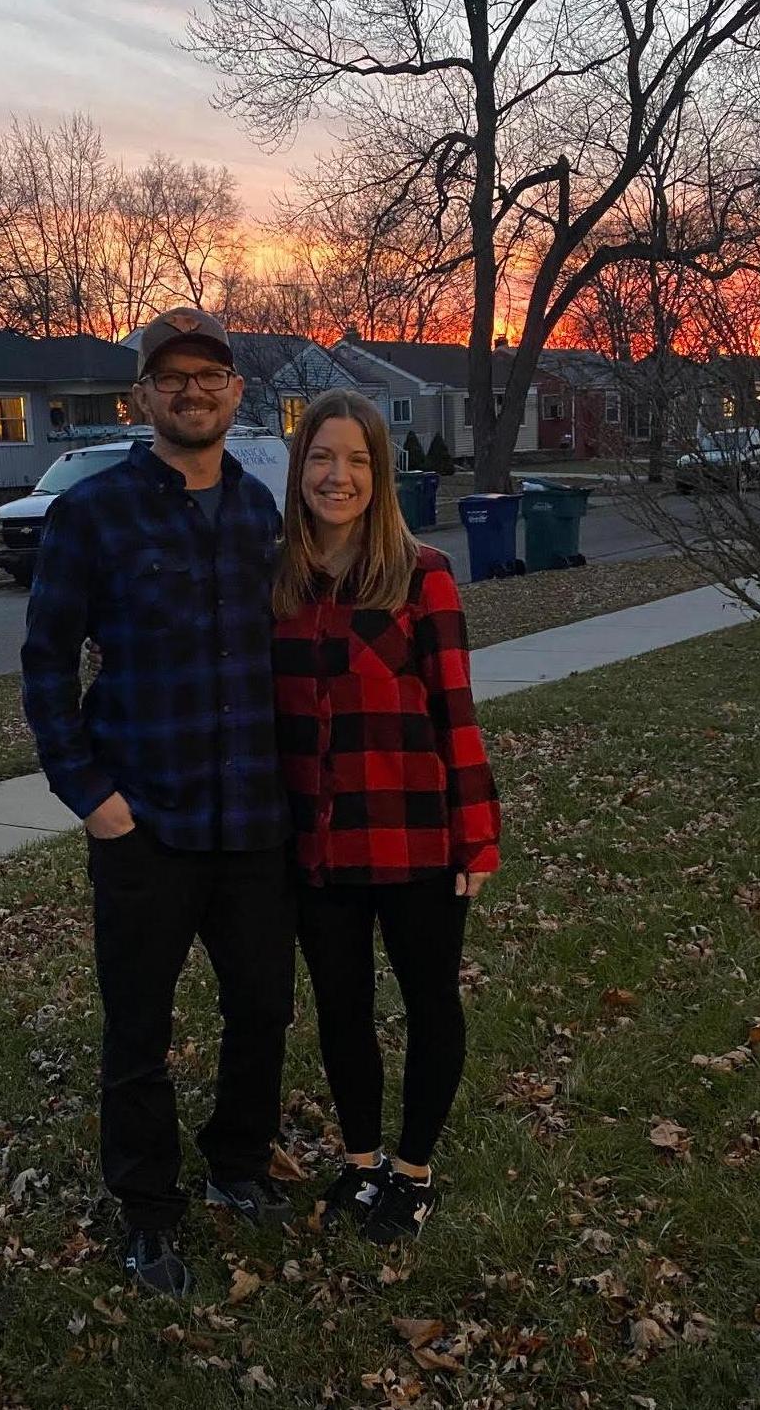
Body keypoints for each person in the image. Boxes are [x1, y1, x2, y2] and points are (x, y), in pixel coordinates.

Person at [21, 307, 293, 1298]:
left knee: (262, 1005)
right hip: (146, 825)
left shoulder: (262, 512)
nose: (192, 391)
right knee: (137, 1025)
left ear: (233, 393)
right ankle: (146, 1208)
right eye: (171, 377)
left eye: (209, 376)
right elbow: (45, 667)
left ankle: (234, 1162)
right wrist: (92, 797)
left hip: (253, 820)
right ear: (141, 396)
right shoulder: (92, 515)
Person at [271, 389, 501, 1243]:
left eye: (358, 460)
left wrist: (477, 830)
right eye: (323, 459)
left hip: (414, 835)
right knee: (340, 1007)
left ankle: (412, 1170)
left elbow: (456, 711)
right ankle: (362, 1160)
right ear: (300, 472)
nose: (339, 477)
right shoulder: (280, 584)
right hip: (319, 845)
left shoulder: (421, 574)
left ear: (381, 473)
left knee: (429, 1001)